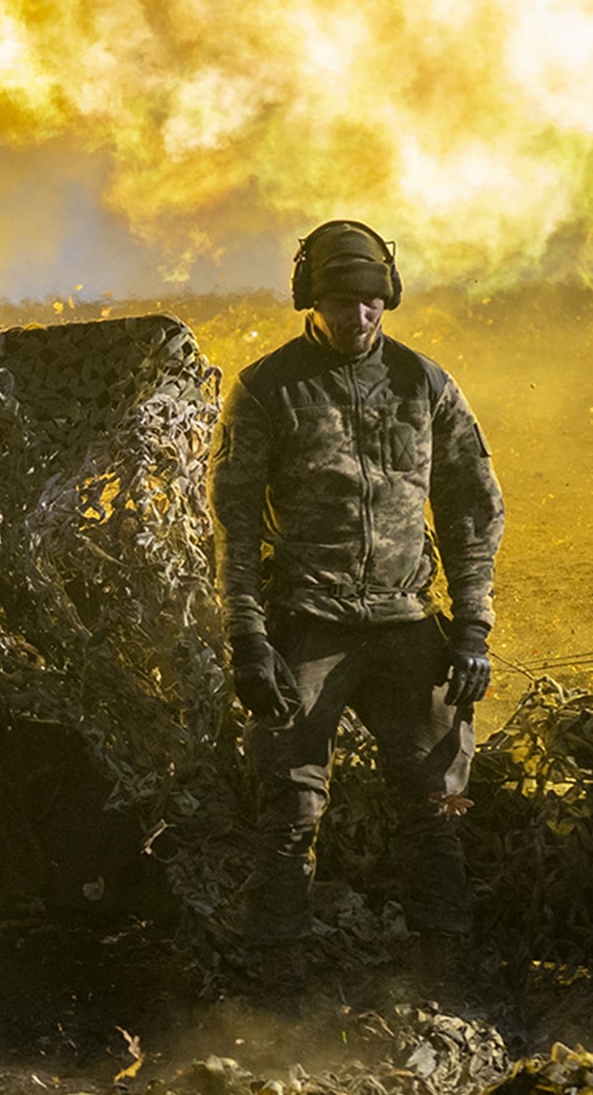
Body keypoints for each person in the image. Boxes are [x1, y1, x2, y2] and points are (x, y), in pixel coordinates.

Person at [208, 220, 505, 992]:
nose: (359, 318)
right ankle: (279, 992)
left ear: (389, 299)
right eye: (342, 302)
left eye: (373, 302)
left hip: (408, 621)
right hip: (308, 625)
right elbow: (233, 524)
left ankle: (446, 978)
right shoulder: (267, 389)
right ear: (312, 299)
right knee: (291, 809)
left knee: (440, 802)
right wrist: (247, 635)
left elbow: (472, 507)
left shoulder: (425, 385)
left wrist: (472, 627)